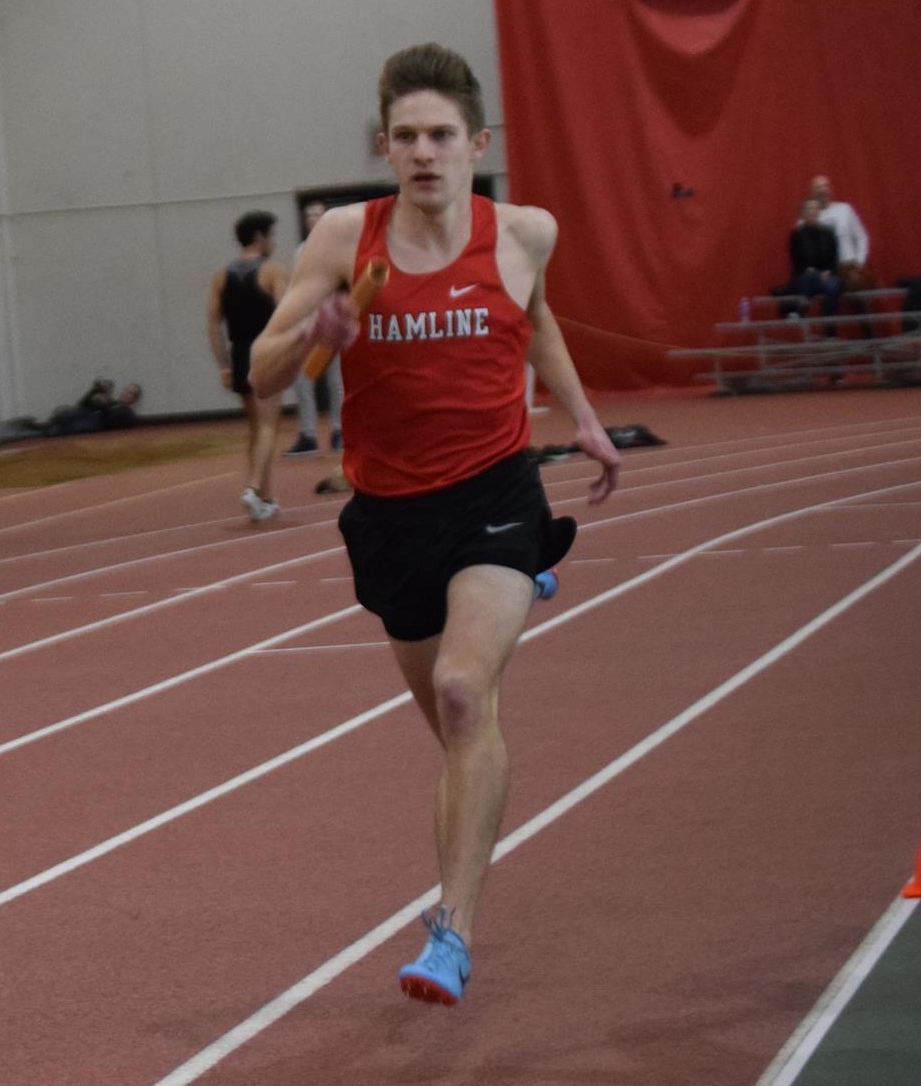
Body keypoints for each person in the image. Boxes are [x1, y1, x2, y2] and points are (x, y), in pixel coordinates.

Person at [252, 42, 620, 1007]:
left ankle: (451, 931)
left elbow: (534, 320)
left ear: (476, 143)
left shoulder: (524, 232)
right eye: (406, 136)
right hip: (390, 514)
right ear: (386, 147)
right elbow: (260, 374)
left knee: (464, 691)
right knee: (455, 724)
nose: (424, 151)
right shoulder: (343, 240)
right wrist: (311, 338)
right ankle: (516, 589)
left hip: (497, 493)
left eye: (441, 135)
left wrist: (580, 417)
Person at [208, 211, 289, 521]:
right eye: (272, 236)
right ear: (259, 237)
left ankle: (265, 497)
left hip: (239, 352)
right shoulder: (272, 272)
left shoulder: (221, 276)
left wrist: (223, 365)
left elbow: (213, 324)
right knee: (269, 425)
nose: (274, 242)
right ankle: (253, 488)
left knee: (256, 428)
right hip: (265, 352)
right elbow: (287, 314)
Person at [285, 200, 344, 457]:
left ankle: (340, 431)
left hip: (333, 320)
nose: (313, 219)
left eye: (318, 214)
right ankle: (308, 434)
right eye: (309, 215)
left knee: (337, 380)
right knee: (302, 378)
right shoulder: (300, 251)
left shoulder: (339, 248)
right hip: (309, 323)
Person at [808, 175, 871, 290]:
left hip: (849, 267)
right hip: (824, 271)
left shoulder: (845, 210)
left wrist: (859, 263)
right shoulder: (808, 218)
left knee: (859, 284)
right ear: (812, 192)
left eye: (825, 186)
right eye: (818, 187)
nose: (822, 190)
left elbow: (862, 237)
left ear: (830, 189)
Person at [787, 198, 844, 317]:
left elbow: (833, 259)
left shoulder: (828, 233)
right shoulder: (797, 235)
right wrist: (813, 272)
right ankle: (802, 309)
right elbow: (796, 261)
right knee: (810, 278)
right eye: (808, 209)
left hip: (826, 276)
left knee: (832, 286)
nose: (812, 211)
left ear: (818, 212)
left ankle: (830, 330)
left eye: (814, 208)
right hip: (805, 276)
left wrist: (828, 272)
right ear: (802, 213)